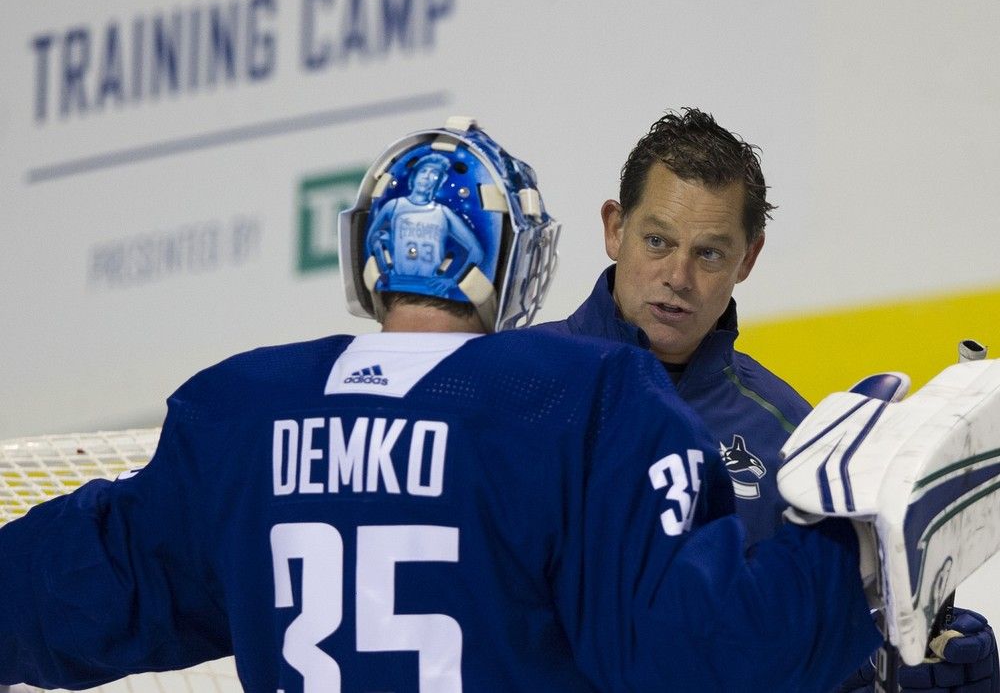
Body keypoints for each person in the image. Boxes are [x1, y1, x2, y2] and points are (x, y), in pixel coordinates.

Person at [0, 116, 887, 692]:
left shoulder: (241, 413)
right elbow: (695, 649)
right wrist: (860, 568)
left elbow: (73, 588)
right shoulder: (577, 400)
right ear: (514, 258)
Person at [536, 107, 999, 692]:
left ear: (748, 259)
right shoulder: (511, 386)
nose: (677, 275)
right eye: (657, 241)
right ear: (614, 229)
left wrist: (901, 674)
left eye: (709, 253)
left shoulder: (790, 438)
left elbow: (810, 653)